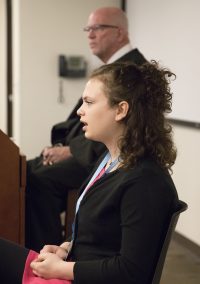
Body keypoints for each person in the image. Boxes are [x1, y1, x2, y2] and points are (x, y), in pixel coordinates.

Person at [0, 60, 179, 284]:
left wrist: (62, 269)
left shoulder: (145, 181)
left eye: (89, 102)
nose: (79, 111)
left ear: (121, 110)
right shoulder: (108, 161)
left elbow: (132, 272)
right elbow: (97, 236)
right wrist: (65, 249)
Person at [25, 6, 147, 252]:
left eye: (98, 28)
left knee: (37, 180)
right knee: (23, 169)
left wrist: (70, 150)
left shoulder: (134, 70)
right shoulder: (113, 67)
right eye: (88, 29)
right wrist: (62, 146)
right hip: (89, 148)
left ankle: (45, 254)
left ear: (120, 33)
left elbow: (124, 129)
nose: (90, 34)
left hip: (103, 155)